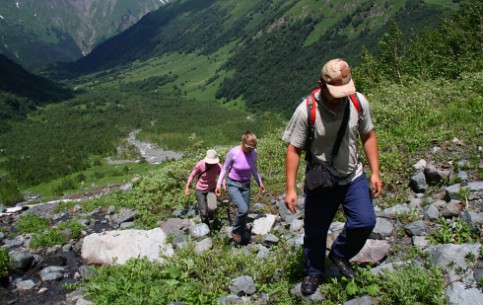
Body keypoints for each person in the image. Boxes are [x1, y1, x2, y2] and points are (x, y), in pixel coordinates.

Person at [283, 58, 382, 295]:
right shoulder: (307, 109)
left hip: (352, 175)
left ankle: (339, 253)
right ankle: (313, 272)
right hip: (322, 178)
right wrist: (290, 188)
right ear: (322, 84)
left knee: (365, 221)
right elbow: (294, 149)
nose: (340, 97)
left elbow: (368, 135)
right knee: (315, 230)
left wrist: (375, 172)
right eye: (335, 92)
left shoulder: (358, 102)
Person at [215, 131, 265, 244]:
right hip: (233, 184)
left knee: (245, 211)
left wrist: (260, 183)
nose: (251, 149)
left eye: (253, 147)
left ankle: (241, 232)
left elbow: (253, 169)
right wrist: (218, 184)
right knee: (243, 209)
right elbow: (225, 168)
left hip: (246, 184)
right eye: (248, 147)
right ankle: (236, 231)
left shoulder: (253, 153)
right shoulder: (234, 152)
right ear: (243, 143)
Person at [185, 149, 222, 228]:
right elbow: (192, 175)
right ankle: (206, 228)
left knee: (212, 208)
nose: (211, 164)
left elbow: (222, 176)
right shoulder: (200, 164)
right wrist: (187, 187)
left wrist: (221, 186)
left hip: (211, 188)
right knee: (203, 212)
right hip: (200, 190)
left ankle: (212, 218)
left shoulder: (218, 166)